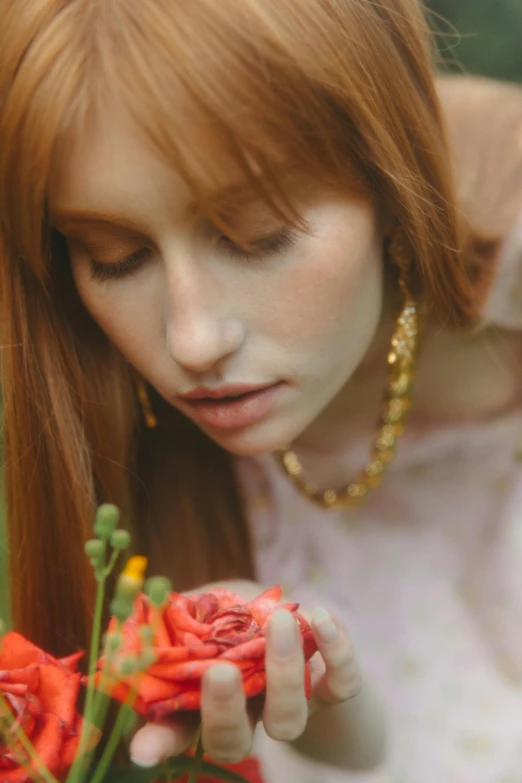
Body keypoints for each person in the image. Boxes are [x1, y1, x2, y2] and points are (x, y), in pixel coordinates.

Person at [0, 2, 520, 782]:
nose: (194, 340)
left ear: (389, 178)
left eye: (255, 237)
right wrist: (312, 690)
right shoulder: (130, 428)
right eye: (116, 257)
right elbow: (403, 742)